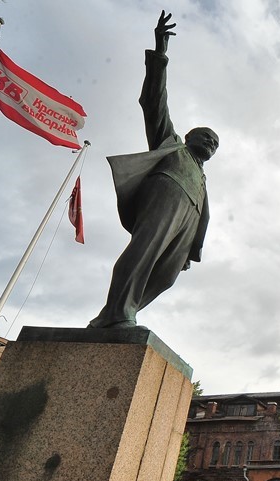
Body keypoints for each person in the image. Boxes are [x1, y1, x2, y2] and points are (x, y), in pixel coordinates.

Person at [89, 10, 219, 329]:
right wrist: (160, 55)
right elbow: (154, 102)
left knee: (166, 275)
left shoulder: (202, 177)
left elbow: (205, 213)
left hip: (188, 218)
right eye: (206, 136)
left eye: (215, 143)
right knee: (143, 252)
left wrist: (192, 247)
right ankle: (117, 312)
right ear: (188, 136)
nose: (211, 142)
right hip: (166, 194)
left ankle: (121, 312)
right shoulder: (172, 144)